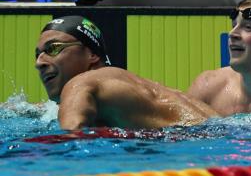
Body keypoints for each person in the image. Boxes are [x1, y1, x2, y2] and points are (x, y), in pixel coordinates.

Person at [35, 16, 218, 130]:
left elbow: (71, 138)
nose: (39, 62)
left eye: (53, 48)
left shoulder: (80, 83)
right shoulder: (124, 84)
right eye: (38, 54)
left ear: (92, 54)